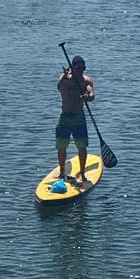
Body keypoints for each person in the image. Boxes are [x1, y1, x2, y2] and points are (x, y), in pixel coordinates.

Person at [56, 55, 95, 186]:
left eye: (83, 68)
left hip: (79, 117)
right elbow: (59, 86)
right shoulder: (65, 80)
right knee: (61, 146)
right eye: (78, 68)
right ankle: (62, 172)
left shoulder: (86, 81)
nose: (81, 71)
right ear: (73, 68)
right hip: (65, 117)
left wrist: (87, 97)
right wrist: (64, 76)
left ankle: (82, 173)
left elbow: (91, 94)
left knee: (81, 146)